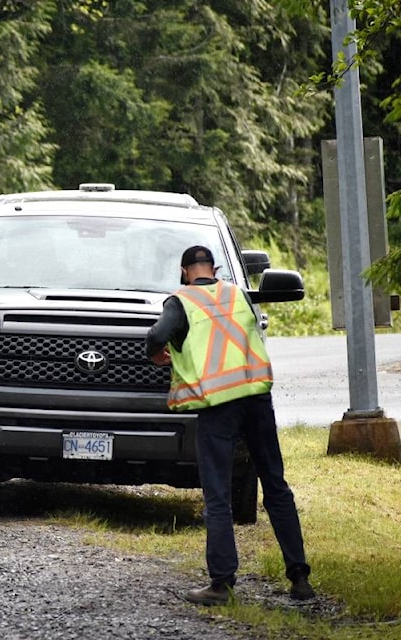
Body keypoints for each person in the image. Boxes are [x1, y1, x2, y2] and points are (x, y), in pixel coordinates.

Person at [145, 245, 315, 605]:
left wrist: (160, 354)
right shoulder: (236, 294)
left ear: (183, 271)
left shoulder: (181, 301)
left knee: (218, 495)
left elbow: (156, 336)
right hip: (256, 400)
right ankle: (300, 580)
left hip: (218, 407)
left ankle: (221, 585)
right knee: (276, 486)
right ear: (215, 268)